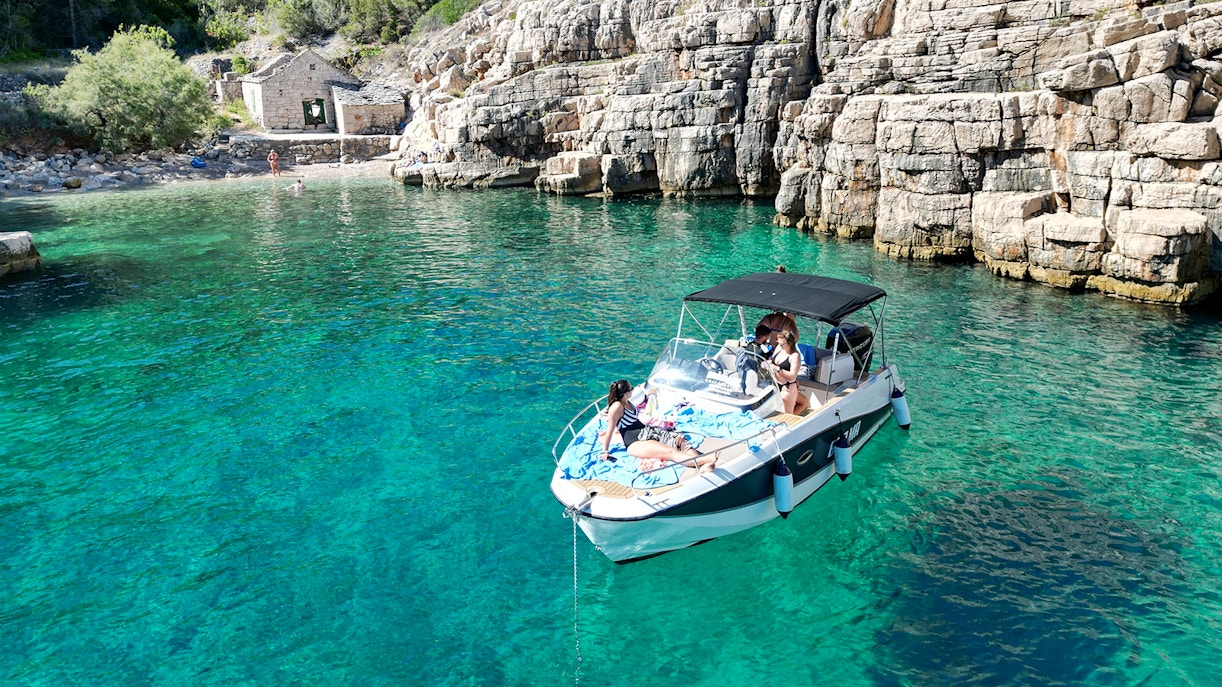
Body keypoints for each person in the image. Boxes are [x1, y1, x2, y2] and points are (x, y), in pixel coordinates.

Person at [600, 380, 716, 473]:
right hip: (635, 441)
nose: (633, 390)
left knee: (680, 440)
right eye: (632, 389)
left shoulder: (628, 401)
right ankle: (705, 460)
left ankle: (700, 466)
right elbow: (609, 430)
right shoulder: (617, 406)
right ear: (626, 393)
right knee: (670, 452)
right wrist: (604, 451)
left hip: (648, 432)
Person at [765, 330, 810, 415]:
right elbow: (772, 360)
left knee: (787, 415)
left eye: (782, 344)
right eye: (779, 342)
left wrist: (777, 369)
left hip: (787, 388)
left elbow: (792, 376)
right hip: (775, 384)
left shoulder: (795, 356)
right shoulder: (779, 348)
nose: (780, 345)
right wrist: (767, 363)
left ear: (789, 343)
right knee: (804, 402)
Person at [735, 323, 772, 394]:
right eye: (767, 337)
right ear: (764, 337)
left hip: (747, 372)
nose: (767, 340)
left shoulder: (749, 345)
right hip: (759, 377)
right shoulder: (762, 351)